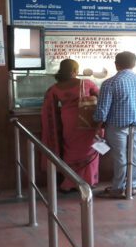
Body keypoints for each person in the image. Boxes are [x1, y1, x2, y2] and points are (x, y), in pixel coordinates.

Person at [93, 51, 136, 198]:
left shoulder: (110, 83)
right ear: (134, 64)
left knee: (120, 156)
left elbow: (103, 109)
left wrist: (98, 126)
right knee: (135, 154)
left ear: (116, 64)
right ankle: (132, 186)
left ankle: (118, 187)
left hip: (116, 126)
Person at [41, 59, 101, 191]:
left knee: (69, 148)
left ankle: (69, 183)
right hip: (86, 120)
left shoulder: (55, 88)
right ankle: (88, 181)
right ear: (75, 71)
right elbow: (100, 98)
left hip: (67, 120)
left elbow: (49, 109)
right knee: (88, 149)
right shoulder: (86, 83)